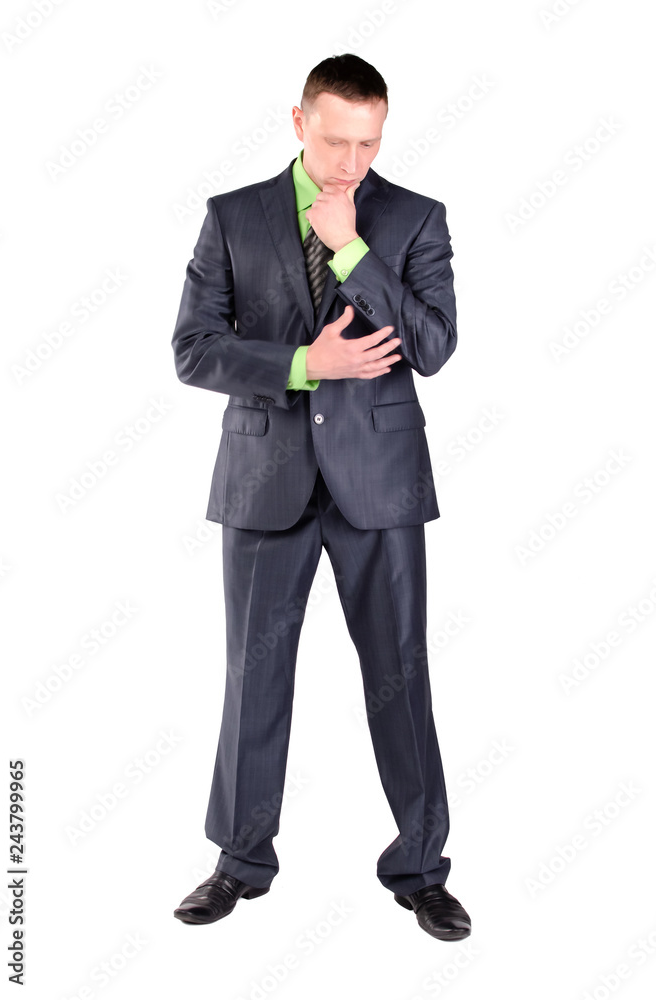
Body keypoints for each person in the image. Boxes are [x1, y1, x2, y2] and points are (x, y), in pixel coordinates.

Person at [170, 53, 471, 941]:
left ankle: (421, 869)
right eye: (336, 140)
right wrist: (308, 363)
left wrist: (352, 249)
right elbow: (194, 349)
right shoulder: (233, 217)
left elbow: (433, 345)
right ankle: (239, 861)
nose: (351, 162)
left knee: (400, 676)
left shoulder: (415, 218)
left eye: (369, 143)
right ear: (299, 122)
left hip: (380, 485)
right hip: (265, 481)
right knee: (252, 677)